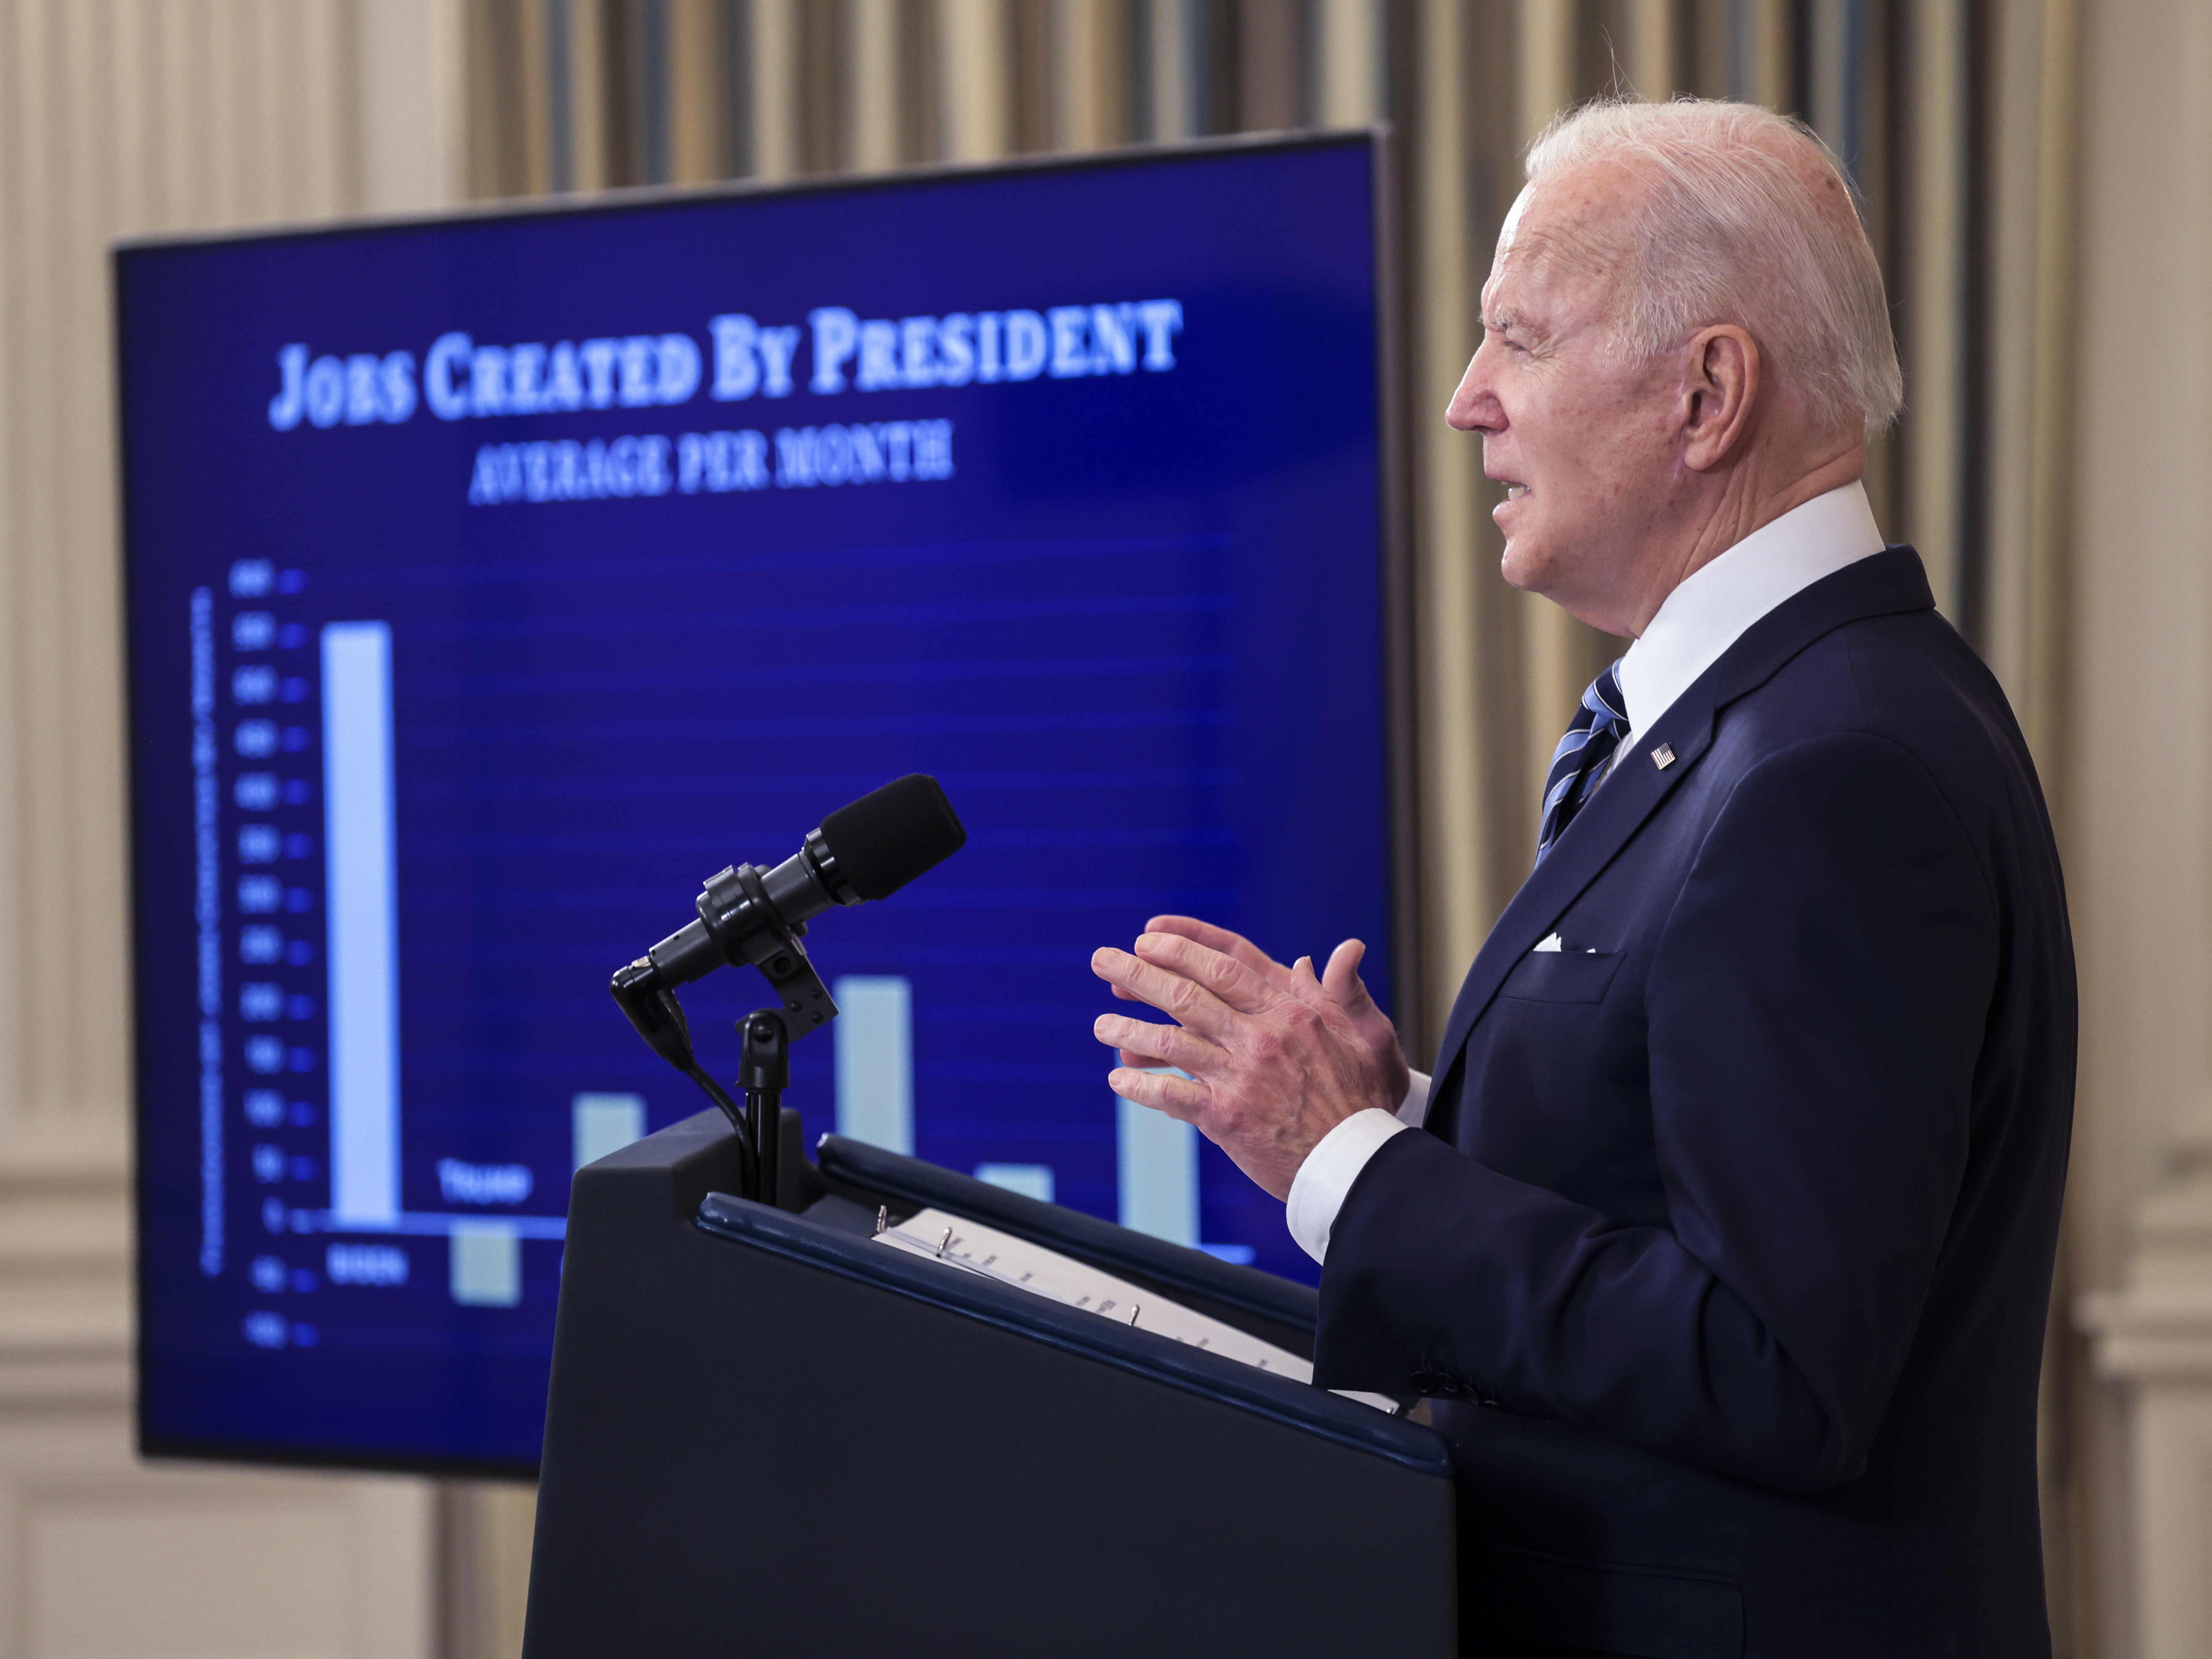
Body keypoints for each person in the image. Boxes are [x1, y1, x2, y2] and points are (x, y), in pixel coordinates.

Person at [1091, 98, 2073, 1657]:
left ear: (1706, 392)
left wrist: (1352, 1171)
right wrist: (1399, 1119)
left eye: (1519, 341)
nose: (1465, 401)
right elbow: (1670, 1194)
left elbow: (1777, 1365)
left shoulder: (1832, 768)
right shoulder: (1767, 716)